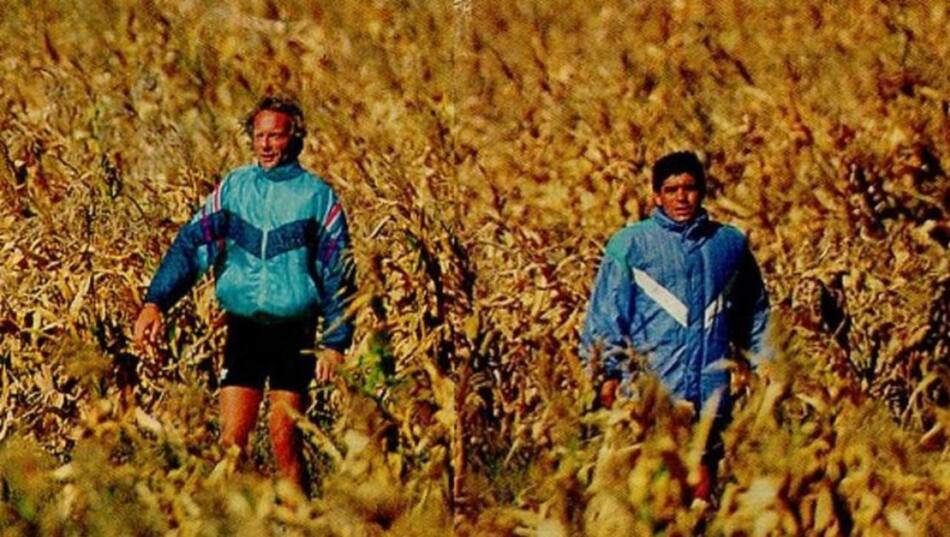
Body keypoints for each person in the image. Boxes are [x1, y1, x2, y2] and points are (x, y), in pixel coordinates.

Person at [133, 96, 355, 491]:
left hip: (294, 333)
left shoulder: (317, 197)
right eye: (259, 136)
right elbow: (190, 247)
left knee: (285, 441)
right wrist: (155, 302)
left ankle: (300, 526)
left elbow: (337, 272)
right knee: (232, 443)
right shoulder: (234, 189)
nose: (266, 145)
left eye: (275, 136)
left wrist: (335, 342)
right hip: (244, 330)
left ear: (294, 138)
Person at [580, 151, 770, 499]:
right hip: (651, 394)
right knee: (653, 494)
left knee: (701, 491)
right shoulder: (631, 244)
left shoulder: (729, 245)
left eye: (690, 188)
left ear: (703, 192)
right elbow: (607, 314)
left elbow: (754, 312)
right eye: (671, 190)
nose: (681, 197)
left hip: (710, 394)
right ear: (656, 196)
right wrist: (607, 373)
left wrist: (766, 362)